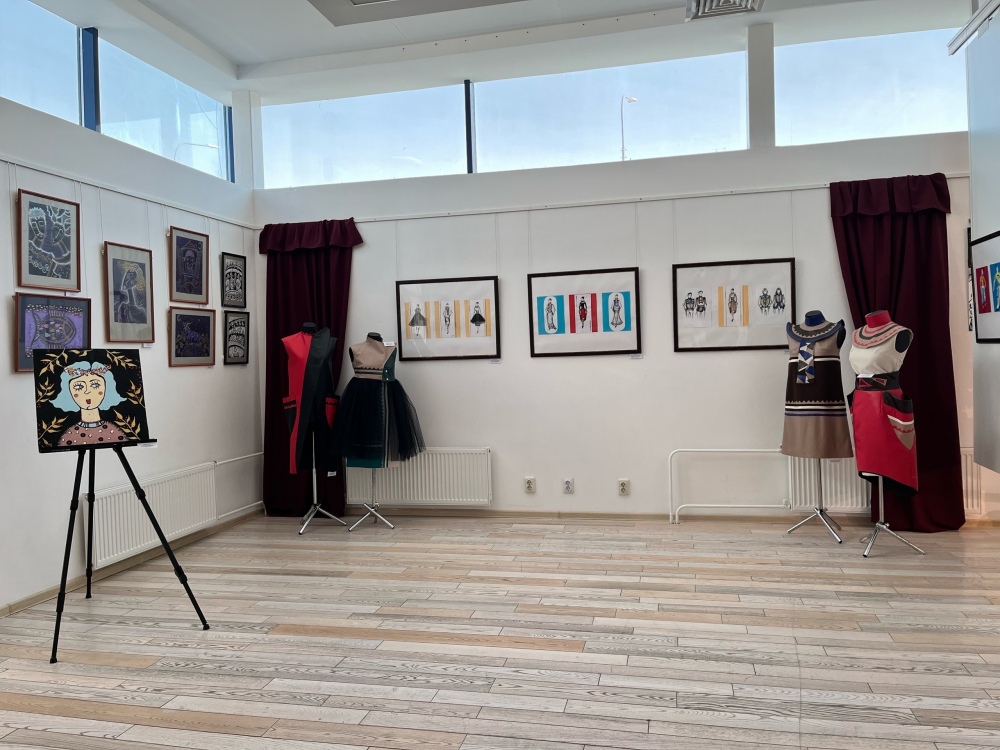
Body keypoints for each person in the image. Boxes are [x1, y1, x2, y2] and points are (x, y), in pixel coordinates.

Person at [51, 361, 129, 447]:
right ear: (69, 392)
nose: (87, 391)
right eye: (78, 387)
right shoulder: (69, 436)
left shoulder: (114, 433)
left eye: (95, 385)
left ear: (106, 388)